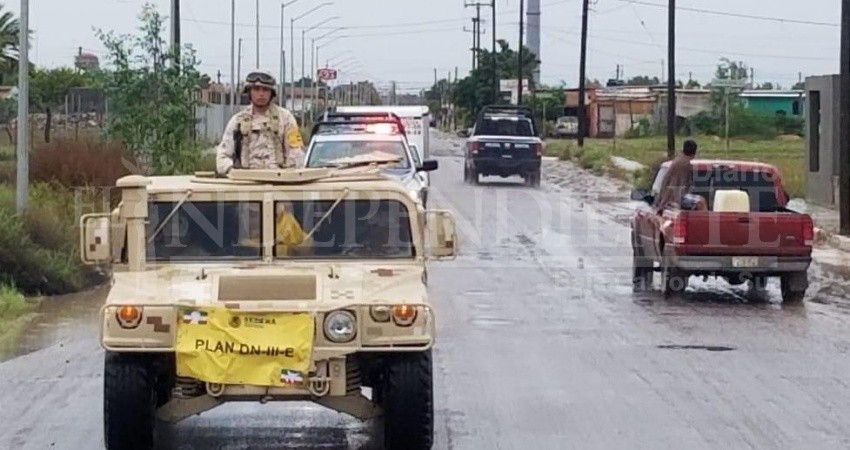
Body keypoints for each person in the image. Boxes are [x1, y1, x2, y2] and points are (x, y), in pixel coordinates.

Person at [216, 70, 305, 176]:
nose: (261, 94)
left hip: (278, 182)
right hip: (246, 184)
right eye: (256, 89)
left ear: (272, 93)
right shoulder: (238, 121)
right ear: (249, 92)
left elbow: (296, 153)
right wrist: (234, 171)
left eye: (265, 89)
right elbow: (222, 157)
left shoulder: (286, 118)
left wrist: (288, 175)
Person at [654, 140, 707, 212]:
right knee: (701, 201)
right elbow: (675, 184)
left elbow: (667, 182)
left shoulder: (678, 161)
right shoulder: (684, 163)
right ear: (694, 152)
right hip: (677, 197)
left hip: (672, 197)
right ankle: (704, 219)